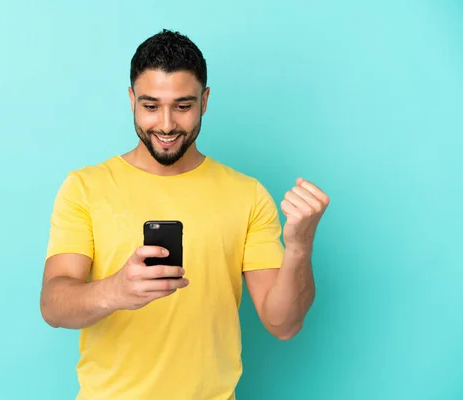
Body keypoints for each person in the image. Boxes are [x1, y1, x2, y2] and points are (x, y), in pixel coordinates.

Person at [40, 29, 330, 400]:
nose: (165, 124)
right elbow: (53, 305)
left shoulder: (247, 194)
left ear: (204, 101)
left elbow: (283, 324)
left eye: (182, 106)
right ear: (131, 100)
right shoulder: (85, 187)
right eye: (150, 106)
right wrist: (116, 290)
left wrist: (300, 246)